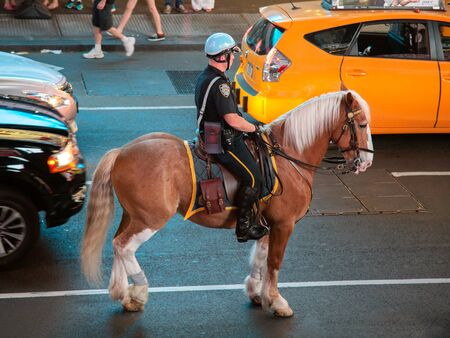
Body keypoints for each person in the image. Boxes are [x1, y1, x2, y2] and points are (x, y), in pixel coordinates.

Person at [194, 32, 268, 243]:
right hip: (221, 140)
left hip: (209, 133)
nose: (233, 58)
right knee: (253, 178)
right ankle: (244, 228)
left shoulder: (205, 76)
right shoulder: (221, 85)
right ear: (221, 57)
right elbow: (233, 120)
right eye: (230, 54)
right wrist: (256, 128)